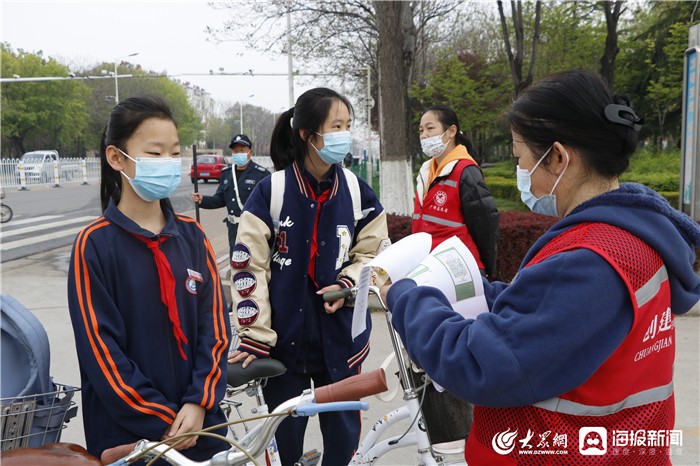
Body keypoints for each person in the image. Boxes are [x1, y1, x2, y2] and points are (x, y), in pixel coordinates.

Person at [384, 71, 700, 464]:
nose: (522, 174)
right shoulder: (634, 238)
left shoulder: (590, 261)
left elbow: (480, 365)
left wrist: (406, 297)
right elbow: (549, 312)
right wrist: (483, 291)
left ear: (558, 158)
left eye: (520, 158)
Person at [228, 87, 390, 465]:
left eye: (348, 126)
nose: (344, 135)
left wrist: (348, 285)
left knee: (343, 444)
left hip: (340, 342)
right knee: (283, 442)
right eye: (336, 126)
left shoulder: (355, 190)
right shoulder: (274, 191)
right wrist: (254, 336)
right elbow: (246, 266)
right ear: (307, 134)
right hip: (283, 345)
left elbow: (375, 251)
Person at [67, 96, 231, 462]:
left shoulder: (192, 236)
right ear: (116, 158)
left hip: (202, 428)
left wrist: (199, 402)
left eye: (174, 153)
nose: (168, 164)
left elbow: (216, 329)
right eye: (155, 154)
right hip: (131, 439)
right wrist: (162, 421)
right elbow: (102, 353)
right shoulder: (94, 246)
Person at [414, 104, 499, 278]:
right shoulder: (426, 171)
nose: (424, 135)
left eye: (430, 128)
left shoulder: (466, 171)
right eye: (421, 130)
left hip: (460, 271)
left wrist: (486, 270)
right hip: (430, 267)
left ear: (451, 131)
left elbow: (485, 226)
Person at [191, 134, 270, 259]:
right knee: (236, 263)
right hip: (233, 229)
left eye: (242, 150)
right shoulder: (227, 173)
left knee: (254, 263)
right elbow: (220, 199)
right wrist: (203, 200)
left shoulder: (261, 174)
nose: (238, 153)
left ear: (250, 152)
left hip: (253, 230)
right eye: (235, 151)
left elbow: (269, 204)